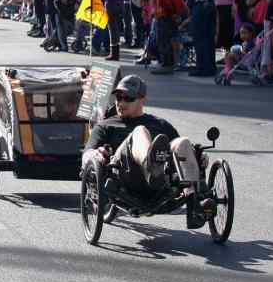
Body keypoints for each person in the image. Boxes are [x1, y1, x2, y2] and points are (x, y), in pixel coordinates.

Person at [83, 75, 212, 228]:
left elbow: (180, 156)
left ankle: (194, 201)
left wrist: (196, 158)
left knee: (182, 142)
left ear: (143, 100)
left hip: (161, 183)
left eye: (128, 98)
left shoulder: (160, 124)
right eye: (118, 97)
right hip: (125, 177)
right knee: (140, 131)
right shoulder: (105, 126)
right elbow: (87, 154)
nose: (121, 102)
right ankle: (151, 168)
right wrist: (94, 154)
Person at [149, 0, 186, 74]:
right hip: (161, 16)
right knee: (162, 39)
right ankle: (165, 62)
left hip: (167, 16)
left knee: (165, 40)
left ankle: (167, 64)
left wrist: (175, 13)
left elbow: (176, 0)